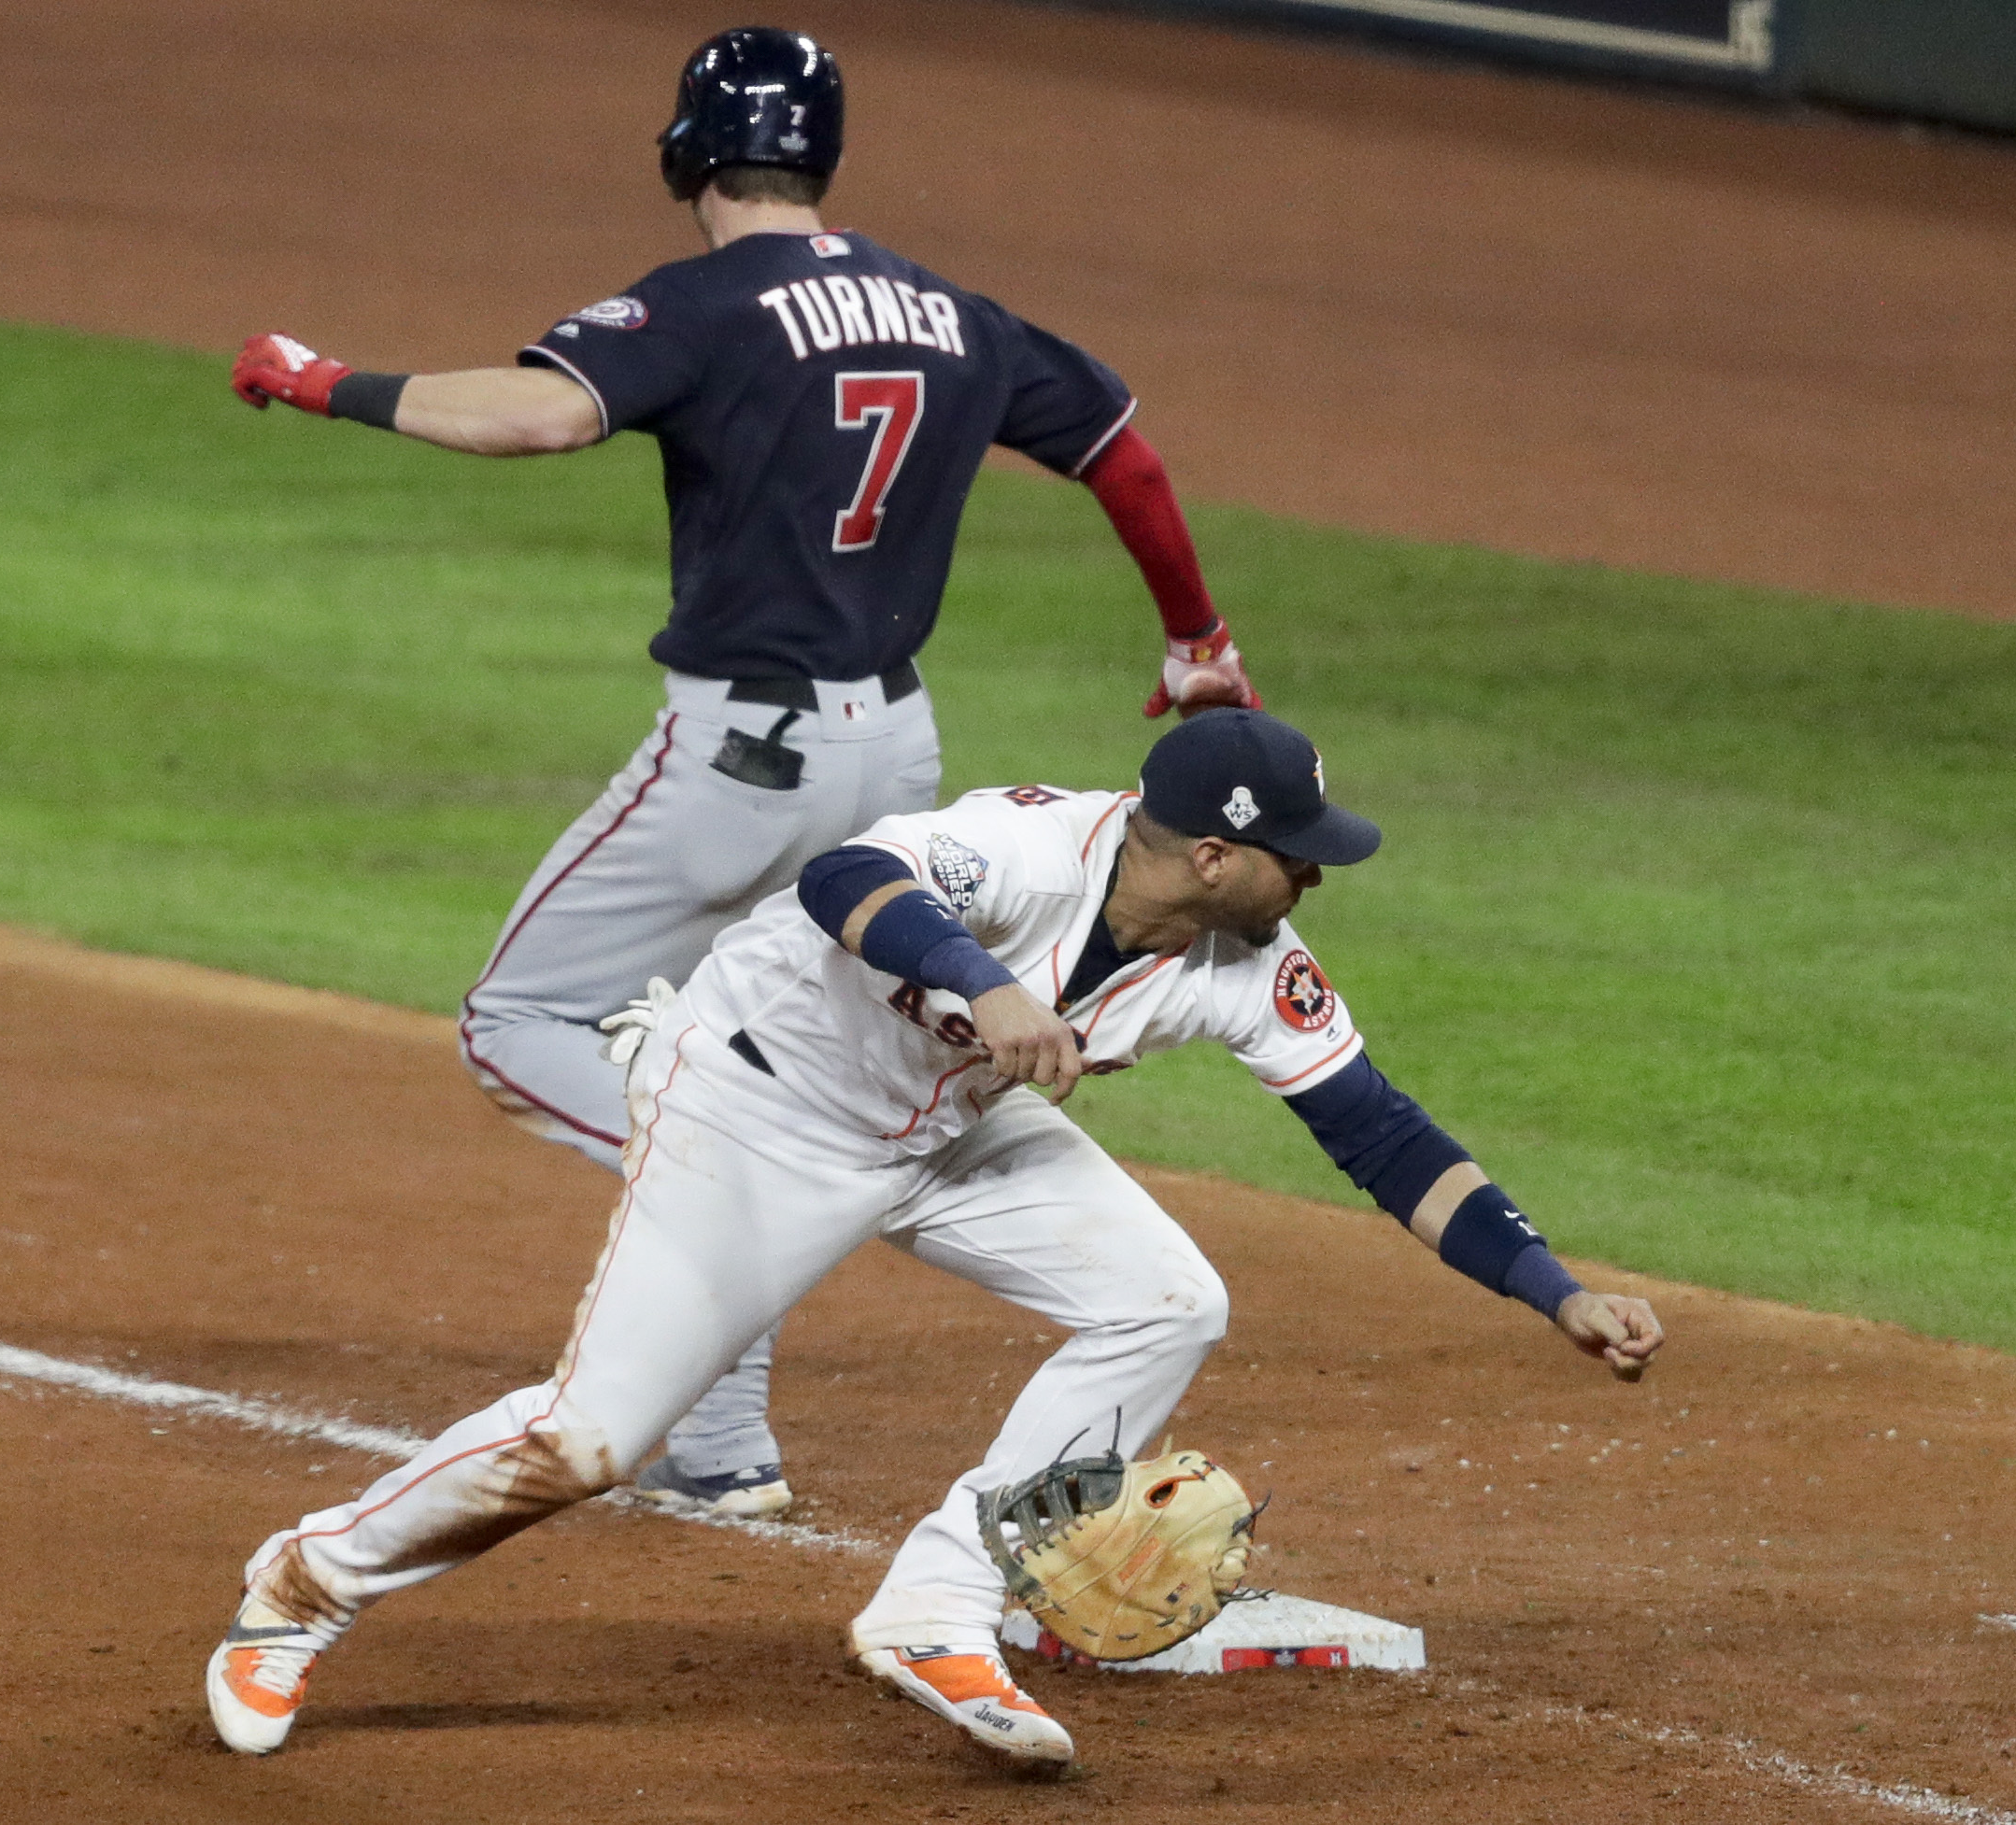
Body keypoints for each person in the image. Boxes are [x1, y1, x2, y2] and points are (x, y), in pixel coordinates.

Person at [204, 708, 1666, 1768]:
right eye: (1299, 855)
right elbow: (847, 878)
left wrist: (1556, 1288)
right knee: (593, 1437)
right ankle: (302, 1587)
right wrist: (988, 987)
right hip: (756, 1106)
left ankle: (939, 1602)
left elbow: (1381, 1133)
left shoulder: (1248, 961)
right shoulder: (1028, 844)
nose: (1319, 877)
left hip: (945, 1126)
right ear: (1218, 855)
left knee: (1167, 1297)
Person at [228, 25, 1259, 1522]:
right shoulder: (950, 311)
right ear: (823, 159)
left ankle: (749, 1177)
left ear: (687, 160)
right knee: (756, 1027)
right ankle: (726, 1451)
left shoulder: (703, 305)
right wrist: (1196, 639)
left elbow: (539, 413)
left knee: (521, 1022)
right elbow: (1125, 455)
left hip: (739, 759)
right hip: (899, 758)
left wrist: (327, 381)